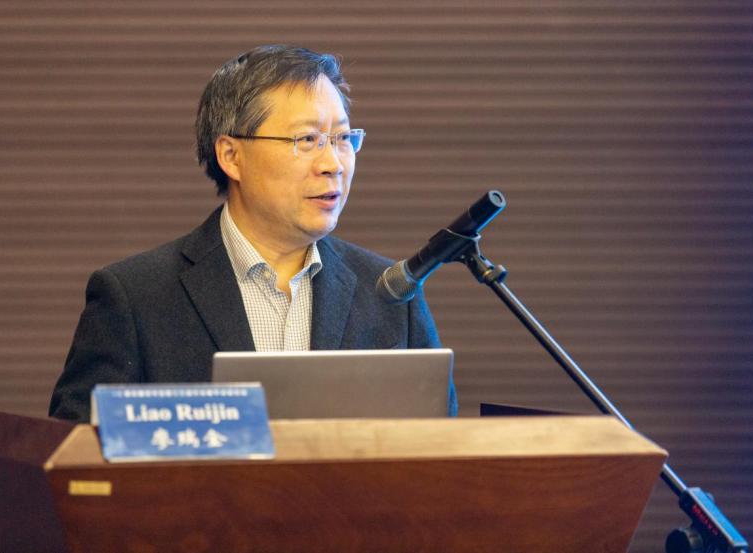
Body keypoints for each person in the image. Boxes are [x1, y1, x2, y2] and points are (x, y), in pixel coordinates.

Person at [49, 45, 457, 422]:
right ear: (231, 156)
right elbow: (75, 454)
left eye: (343, 139)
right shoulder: (136, 297)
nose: (333, 163)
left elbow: (440, 452)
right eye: (308, 140)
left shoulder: (389, 293)